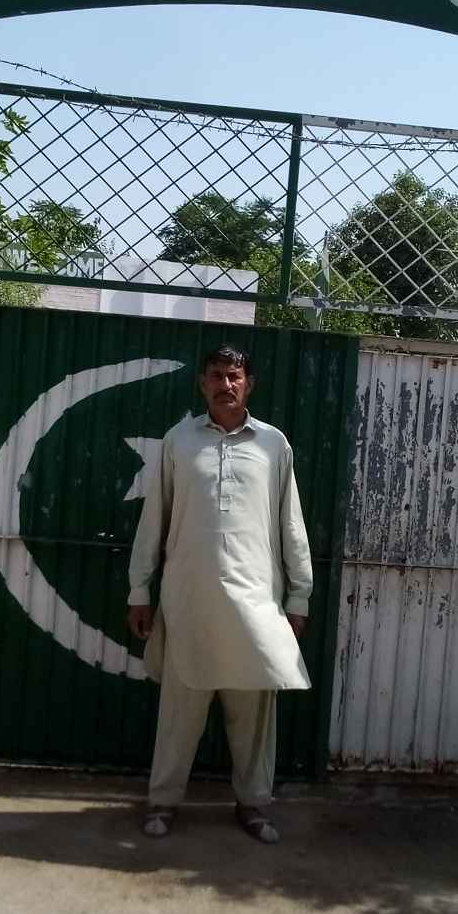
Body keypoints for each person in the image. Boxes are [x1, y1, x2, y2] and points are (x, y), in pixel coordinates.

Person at [127, 345, 312, 844]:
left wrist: (298, 597)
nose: (225, 385)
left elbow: (291, 525)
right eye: (215, 376)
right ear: (202, 384)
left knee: (252, 718)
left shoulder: (273, 444)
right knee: (179, 716)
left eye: (234, 376)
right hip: (188, 603)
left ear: (249, 383)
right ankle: (163, 802)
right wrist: (139, 589)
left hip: (256, 606)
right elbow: (154, 518)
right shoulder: (180, 441)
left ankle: (254, 805)